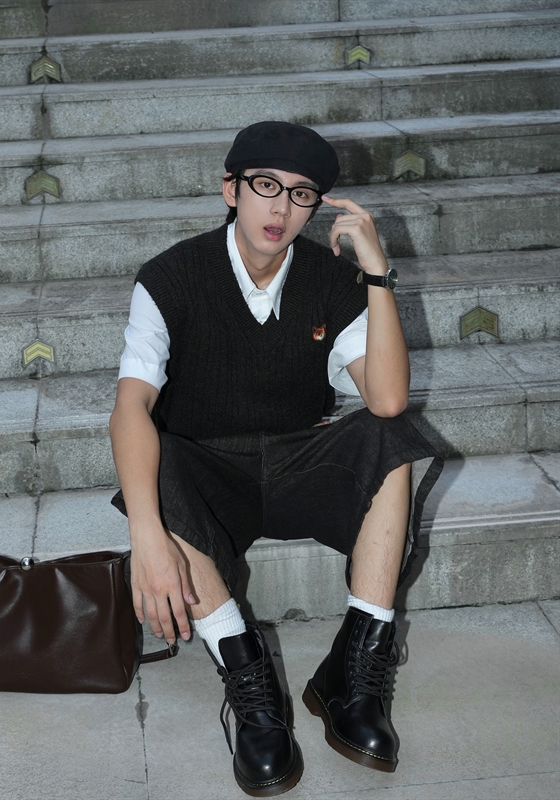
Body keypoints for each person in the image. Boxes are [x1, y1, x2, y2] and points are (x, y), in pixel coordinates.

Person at [109, 121, 443, 796]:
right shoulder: (171, 277)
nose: (281, 208)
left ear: (315, 206)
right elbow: (130, 406)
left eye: (301, 194)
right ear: (230, 189)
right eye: (265, 186)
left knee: (391, 436)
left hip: (297, 464)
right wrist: (146, 532)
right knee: (157, 462)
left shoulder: (331, 279)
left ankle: (355, 674)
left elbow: (386, 398)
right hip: (208, 475)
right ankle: (249, 681)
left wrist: (377, 275)